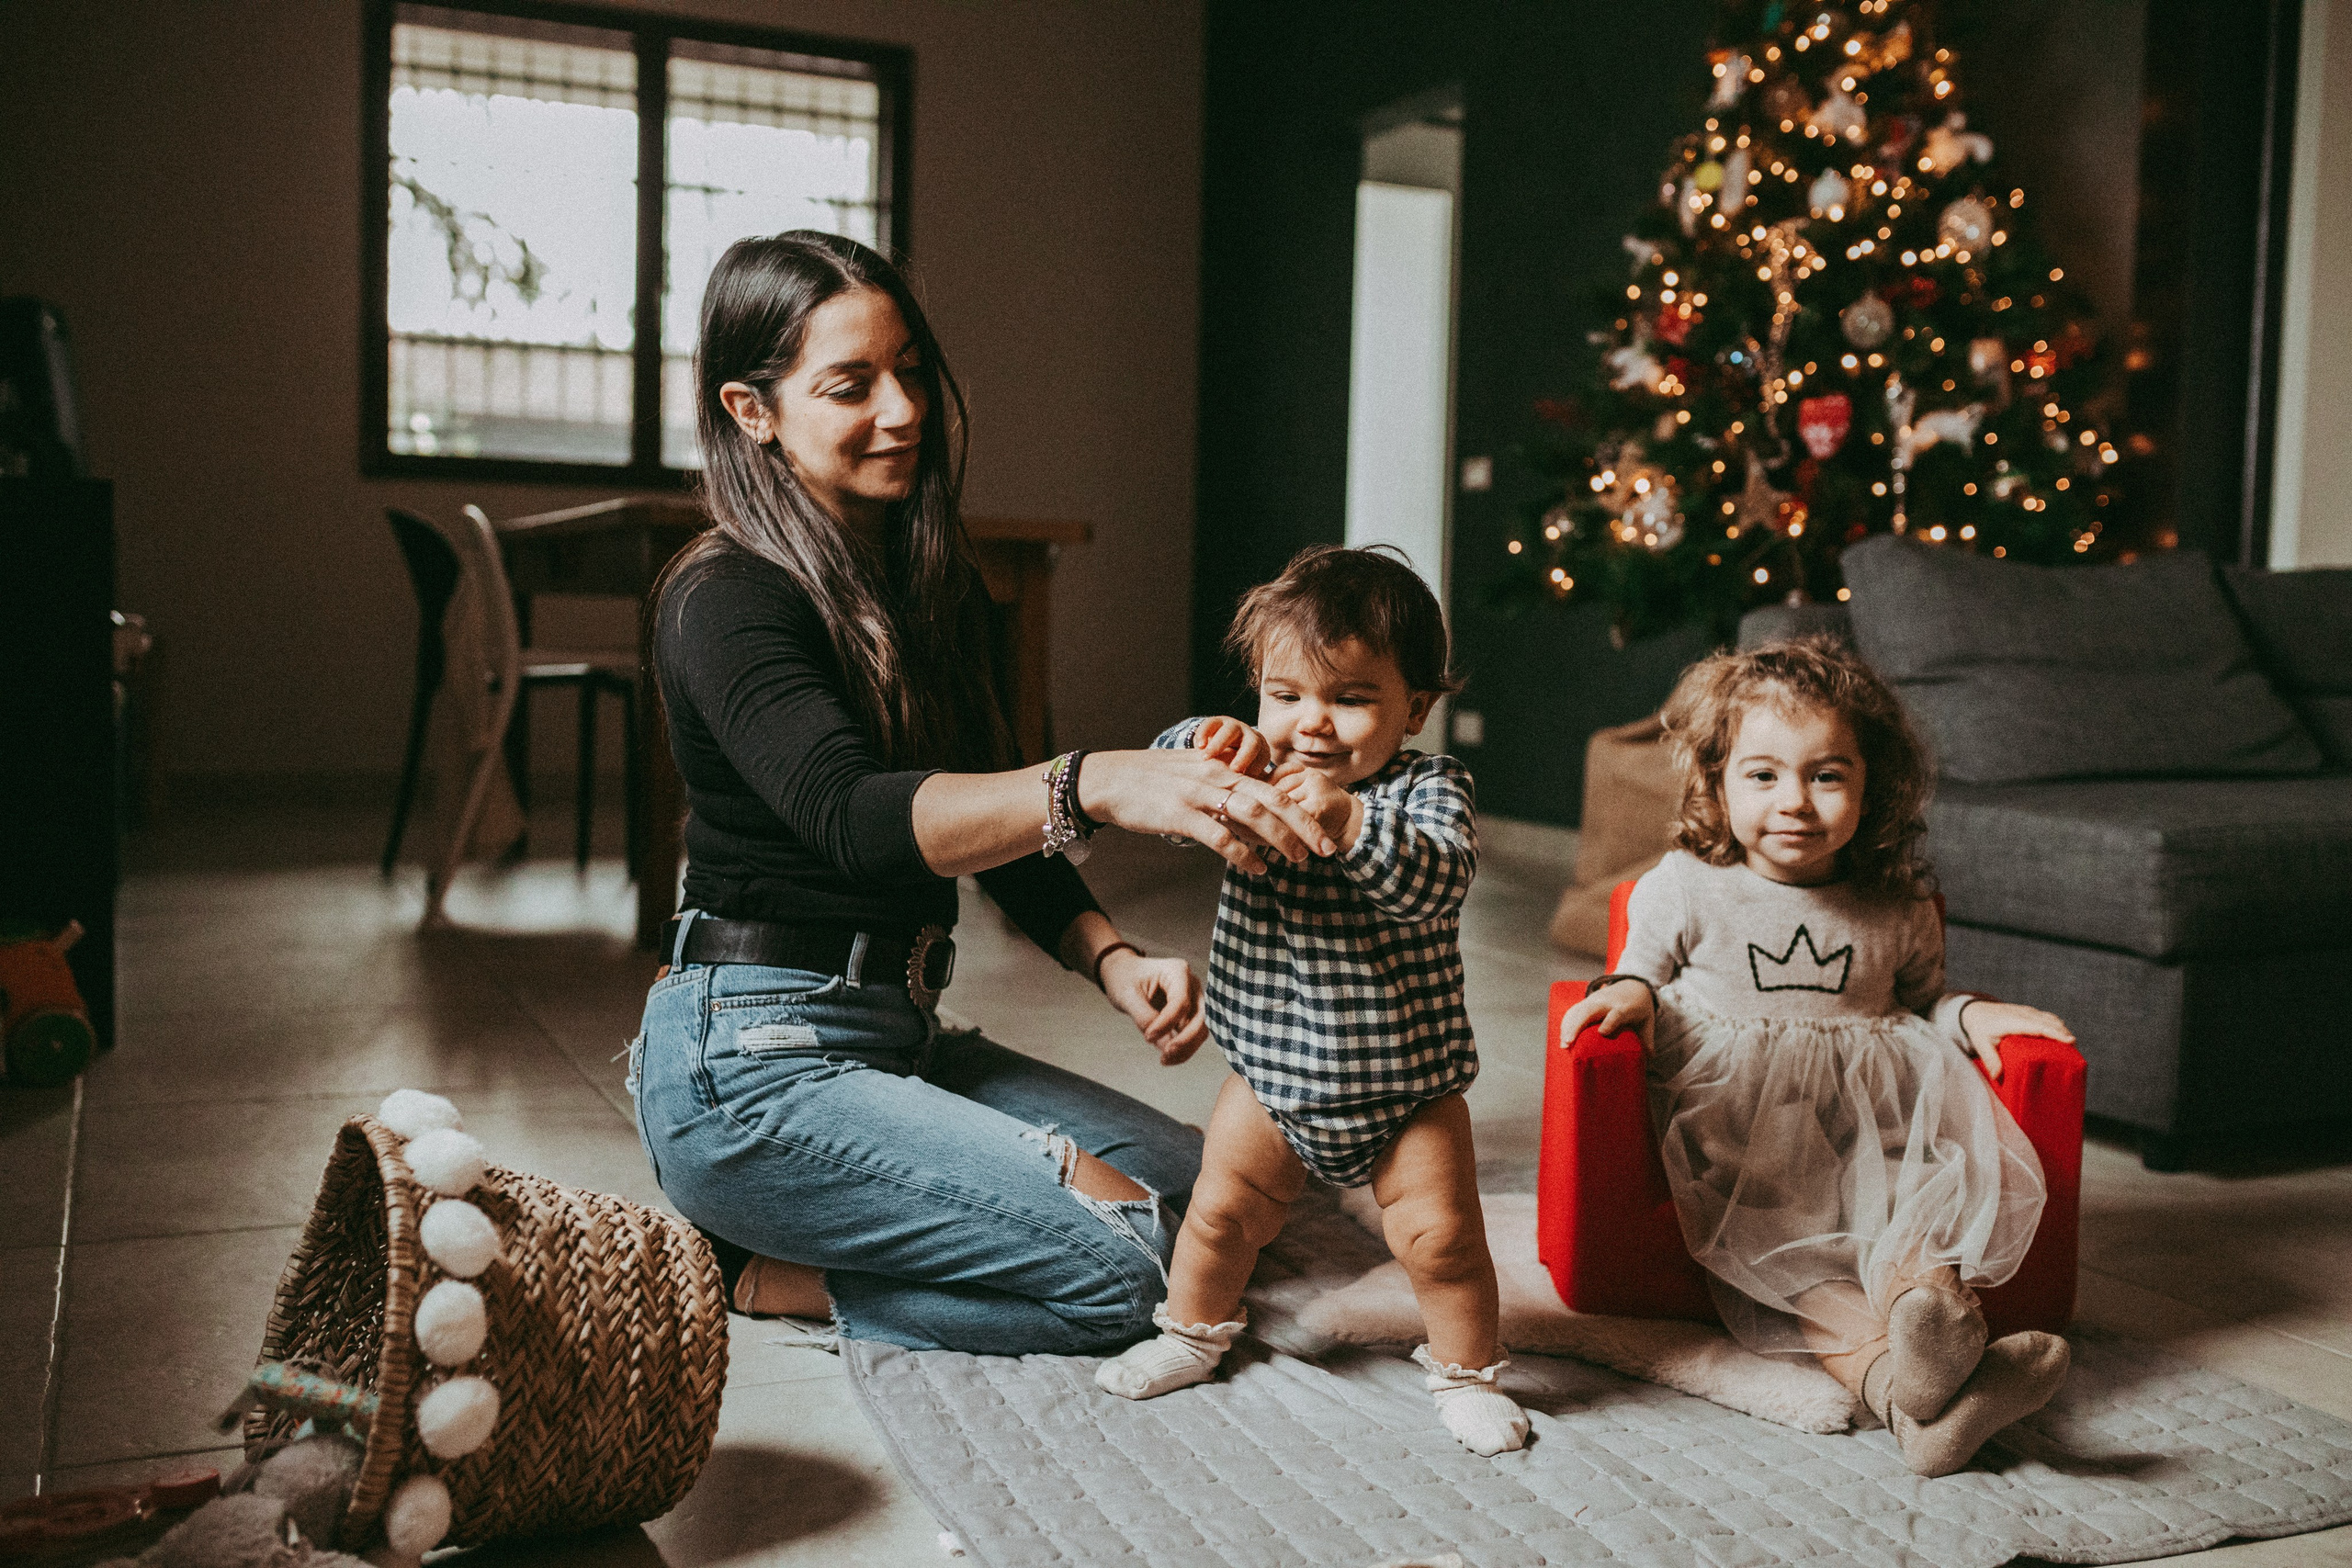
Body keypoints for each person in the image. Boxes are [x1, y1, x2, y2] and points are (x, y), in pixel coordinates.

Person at [628, 231, 1336, 1358]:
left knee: (1234, 1205)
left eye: (909, 368)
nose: (903, 409)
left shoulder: (925, 583)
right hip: (751, 1067)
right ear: (751, 410)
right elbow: (857, 818)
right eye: (850, 385)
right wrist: (1095, 779)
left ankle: (909, 1194)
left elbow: (993, 827)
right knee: (1131, 1271)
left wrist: (1112, 956)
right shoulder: (722, 595)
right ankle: (752, 1274)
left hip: (899, 1034)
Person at [1558, 636, 2073, 1476]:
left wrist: (1971, 1012)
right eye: (1763, 775)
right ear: (1717, 783)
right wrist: (1626, 995)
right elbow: (1637, 975)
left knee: (1919, 1201)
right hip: (1747, 1132)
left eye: (1827, 774)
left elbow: (1917, 1002)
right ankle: (1935, 1389)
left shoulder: (1895, 902)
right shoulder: (1688, 884)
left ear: (1873, 786)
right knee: (1801, 1271)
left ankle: (1928, 1347)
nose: (1794, 800)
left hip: (1879, 1116)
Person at [1092, 546, 1529, 1457]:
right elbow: (1169, 769)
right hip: (1269, 1074)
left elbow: (1436, 880)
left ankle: (1467, 1375)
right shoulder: (1249, 770)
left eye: (1351, 699)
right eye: (1285, 695)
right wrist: (1208, 748)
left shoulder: (1425, 791)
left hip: (1406, 1089)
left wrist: (1349, 820)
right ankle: (1190, 1335)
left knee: (1443, 1242)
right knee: (1221, 1215)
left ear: (1416, 707)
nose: (1312, 726)